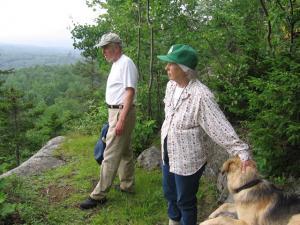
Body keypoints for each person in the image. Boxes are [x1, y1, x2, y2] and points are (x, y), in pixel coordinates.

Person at [157, 44, 251, 225]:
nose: (166, 68)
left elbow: (219, 126)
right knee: (170, 194)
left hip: (188, 160)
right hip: (167, 151)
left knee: (185, 201)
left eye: (171, 64)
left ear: (184, 69)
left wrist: (240, 150)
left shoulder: (201, 96)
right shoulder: (171, 86)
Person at [80, 32, 138, 209]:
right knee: (125, 151)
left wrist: (121, 119)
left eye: (106, 48)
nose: (103, 51)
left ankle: (99, 195)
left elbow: (129, 92)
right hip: (116, 112)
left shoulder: (126, 63)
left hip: (122, 112)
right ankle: (127, 185)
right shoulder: (117, 63)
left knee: (110, 153)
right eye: (103, 48)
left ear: (116, 47)